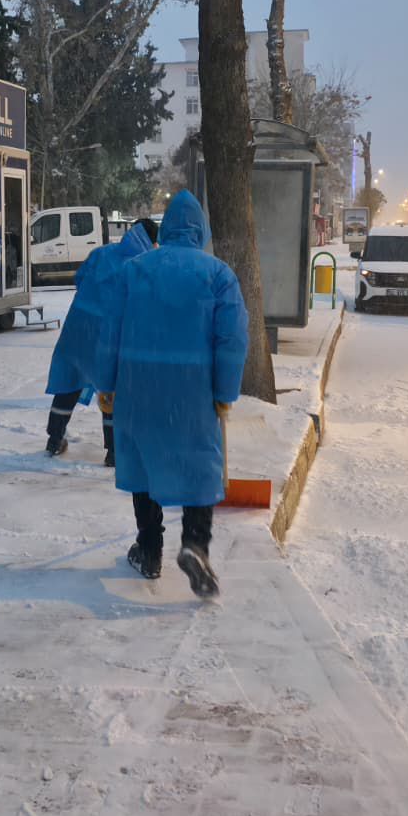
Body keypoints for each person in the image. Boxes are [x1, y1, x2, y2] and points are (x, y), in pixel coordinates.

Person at [95, 191, 246, 598]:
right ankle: (195, 544)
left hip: (138, 384)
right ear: (200, 230)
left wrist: (105, 385)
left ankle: (149, 549)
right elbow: (231, 339)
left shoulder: (134, 270)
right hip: (192, 390)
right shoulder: (218, 274)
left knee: (144, 464)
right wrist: (225, 391)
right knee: (199, 467)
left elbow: (109, 330)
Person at [43, 217, 157, 461]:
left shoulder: (101, 253)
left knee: (69, 381)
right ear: (151, 240)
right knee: (111, 387)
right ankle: (114, 452)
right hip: (109, 333)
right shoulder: (143, 263)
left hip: (78, 326)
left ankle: (54, 439)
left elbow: (80, 279)